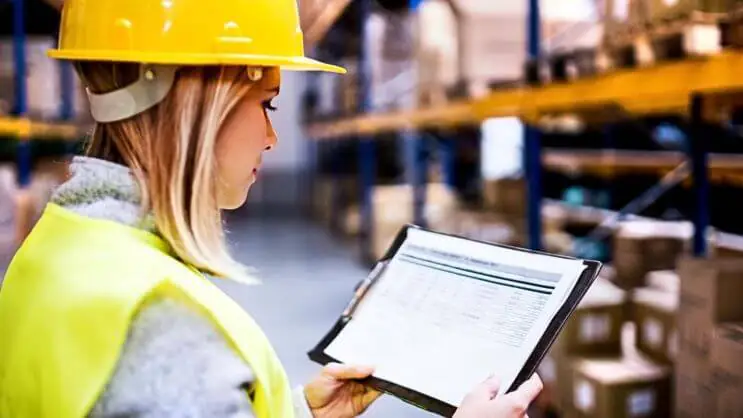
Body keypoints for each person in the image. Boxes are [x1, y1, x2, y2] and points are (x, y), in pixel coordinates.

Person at [0, 0, 543, 417]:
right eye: (266, 103)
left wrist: (301, 409)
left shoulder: (60, 247)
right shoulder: (157, 323)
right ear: (199, 103)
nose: (271, 137)